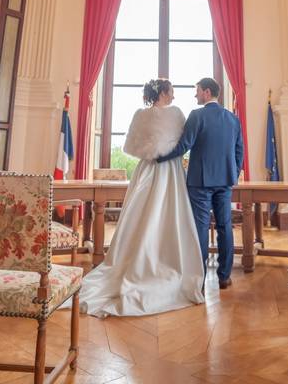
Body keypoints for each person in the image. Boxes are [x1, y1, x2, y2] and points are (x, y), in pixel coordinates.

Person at [78, 79, 204, 318]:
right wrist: (164, 153)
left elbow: (131, 147)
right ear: (164, 93)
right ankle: (163, 263)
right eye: (172, 92)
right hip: (169, 170)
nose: (175, 96)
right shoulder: (176, 114)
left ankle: (134, 261)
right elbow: (184, 144)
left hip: (146, 170)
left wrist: (152, 153)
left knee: (142, 213)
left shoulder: (140, 115)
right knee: (167, 212)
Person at [158, 77, 244, 290]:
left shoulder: (197, 115)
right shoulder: (233, 119)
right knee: (225, 226)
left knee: (200, 228)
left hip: (200, 182)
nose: (195, 95)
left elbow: (183, 146)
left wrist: (158, 157)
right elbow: (239, 151)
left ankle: (200, 278)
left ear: (206, 92)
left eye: (197, 91)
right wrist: (232, 174)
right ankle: (224, 277)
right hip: (225, 181)